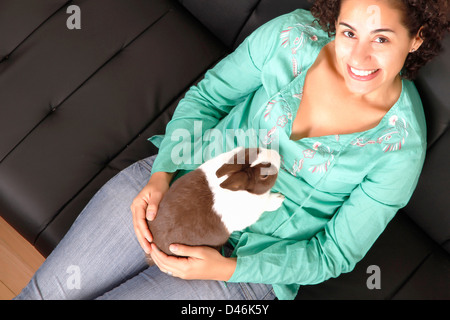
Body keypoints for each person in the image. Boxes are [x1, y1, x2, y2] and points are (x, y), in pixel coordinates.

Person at [16, 0, 448, 300]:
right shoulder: (291, 36)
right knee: (44, 294)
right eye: (348, 31)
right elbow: (208, 100)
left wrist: (226, 270)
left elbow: (331, 253)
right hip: (185, 185)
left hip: (247, 271)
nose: (357, 55)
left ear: (416, 39)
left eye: (382, 39)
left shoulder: (399, 149)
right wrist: (161, 174)